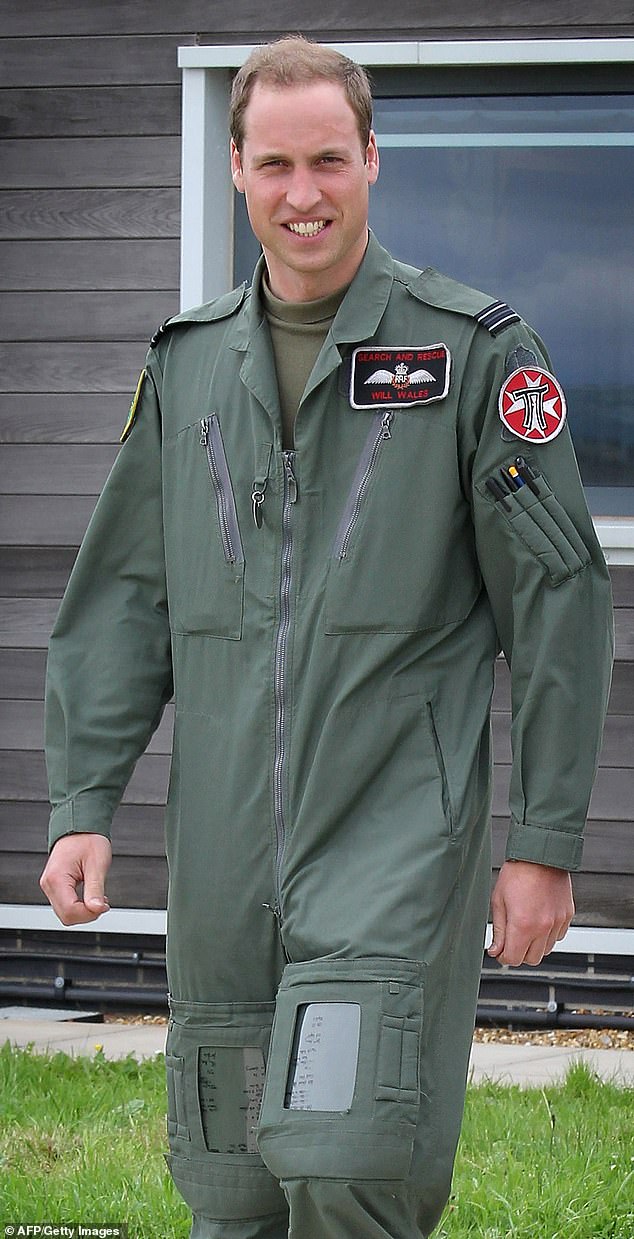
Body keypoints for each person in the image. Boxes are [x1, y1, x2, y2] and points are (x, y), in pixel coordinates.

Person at [40, 35, 613, 1239]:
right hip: (221, 853)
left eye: (329, 162)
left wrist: (543, 839)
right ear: (238, 172)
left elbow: (558, 599)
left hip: (394, 830)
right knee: (230, 1172)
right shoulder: (188, 367)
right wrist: (83, 801)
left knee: (351, 1154)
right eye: (276, 164)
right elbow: (121, 600)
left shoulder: (471, 356)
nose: (304, 194)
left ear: (371, 164)